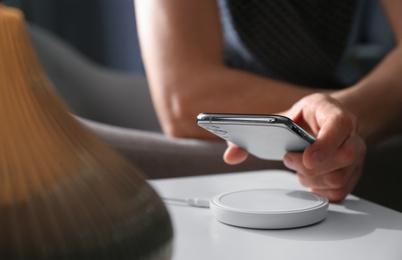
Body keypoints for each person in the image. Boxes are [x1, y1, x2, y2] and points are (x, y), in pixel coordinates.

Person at [134, 0, 402, 203]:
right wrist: (334, 118)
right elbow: (185, 100)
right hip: (224, 142)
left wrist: (341, 118)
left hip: (345, 118)